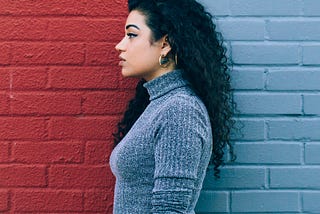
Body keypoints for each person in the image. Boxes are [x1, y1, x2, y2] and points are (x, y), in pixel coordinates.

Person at [110, 0, 235, 213]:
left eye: (132, 35)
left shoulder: (179, 110)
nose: (120, 45)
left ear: (165, 44)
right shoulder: (160, 104)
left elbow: (171, 210)